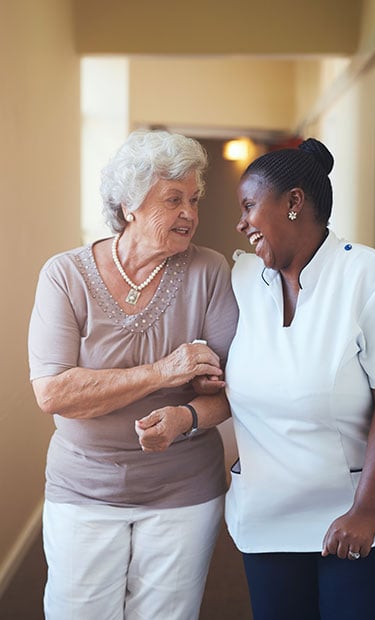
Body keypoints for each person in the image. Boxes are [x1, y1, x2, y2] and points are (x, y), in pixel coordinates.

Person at [28, 129, 238, 620]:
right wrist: (166, 371)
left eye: (194, 198)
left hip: (183, 489)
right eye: (173, 199)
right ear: (129, 206)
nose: (190, 212)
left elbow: (233, 390)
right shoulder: (65, 276)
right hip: (83, 487)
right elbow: (55, 392)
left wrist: (185, 416)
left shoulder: (209, 271)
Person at [224, 138, 375, 620]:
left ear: (294, 202)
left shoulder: (374, 280)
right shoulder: (242, 282)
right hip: (268, 522)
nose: (241, 222)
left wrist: (366, 511)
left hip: (360, 522)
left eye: (249, 206)